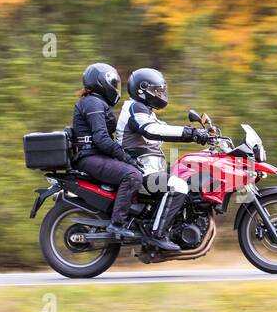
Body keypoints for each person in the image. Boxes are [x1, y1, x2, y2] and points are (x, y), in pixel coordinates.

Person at [116, 67, 212, 252]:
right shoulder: (135, 109)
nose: (161, 94)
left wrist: (200, 134)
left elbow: (163, 127)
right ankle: (156, 235)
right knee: (179, 186)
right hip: (142, 170)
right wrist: (190, 133)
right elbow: (153, 130)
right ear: (143, 90)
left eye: (162, 90)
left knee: (188, 178)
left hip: (148, 168)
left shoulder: (144, 110)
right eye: (157, 90)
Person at [71, 62, 141, 241]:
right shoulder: (93, 103)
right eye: (114, 83)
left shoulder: (95, 102)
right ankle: (117, 225)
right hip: (90, 157)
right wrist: (126, 158)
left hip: (95, 156)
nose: (116, 88)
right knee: (132, 175)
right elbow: (101, 139)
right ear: (102, 82)